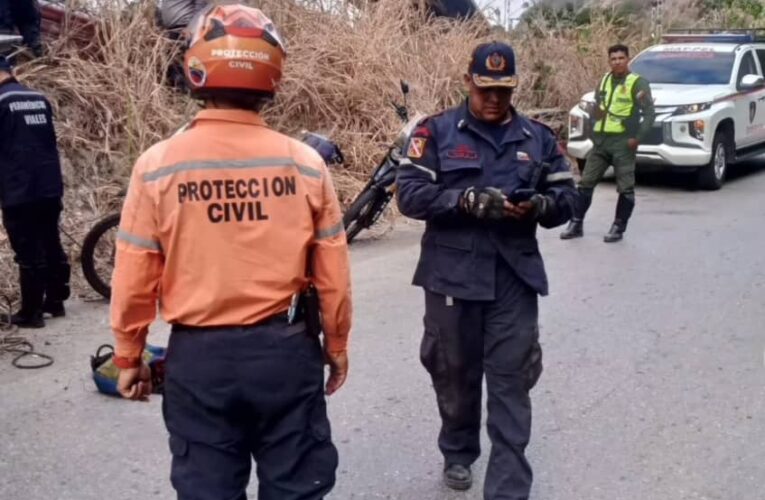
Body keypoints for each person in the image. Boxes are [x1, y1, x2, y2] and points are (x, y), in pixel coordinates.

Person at [109, 4, 352, 499]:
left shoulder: (156, 166)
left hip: (199, 361)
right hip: (285, 353)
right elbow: (332, 276)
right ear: (272, 73)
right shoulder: (305, 165)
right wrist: (337, 346)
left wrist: (129, 354)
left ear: (195, 67)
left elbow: (134, 274)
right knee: (296, 485)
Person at [396, 41, 577, 499]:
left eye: (503, 90)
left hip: (513, 278)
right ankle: (458, 451)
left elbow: (568, 198)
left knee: (511, 382)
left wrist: (541, 205)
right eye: (485, 89)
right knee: (453, 373)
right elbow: (410, 195)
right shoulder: (435, 133)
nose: (494, 99)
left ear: (514, 86)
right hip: (451, 277)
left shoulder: (536, 137)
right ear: (468, 82)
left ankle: (508, 489)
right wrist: (464, 200)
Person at [0, 55, 70, 328]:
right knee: (50, 240)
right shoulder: (38, 98)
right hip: (49, 183)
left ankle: (31, 313)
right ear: (11, 71)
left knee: (28, 249)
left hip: (19, 187)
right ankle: (55, 300)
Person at [560, 43, 655, 243]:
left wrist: (637, 138)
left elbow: (649, 114)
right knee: (586, 183)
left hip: (623, 142)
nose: (617, 62)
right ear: (609, 61)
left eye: (621, 58)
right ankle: (576, 223)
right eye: (613, 59)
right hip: (601, 142)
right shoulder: (604, 80)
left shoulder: (637, 83)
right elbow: (598, 106)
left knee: (625, 187)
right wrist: (594, 129)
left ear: (627, 59)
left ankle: (618, 227)